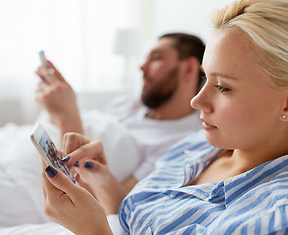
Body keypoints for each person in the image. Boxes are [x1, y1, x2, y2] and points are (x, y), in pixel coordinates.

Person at [42, 0, 288, 234]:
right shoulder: (200, 145)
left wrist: (94, 231)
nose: (196, 101)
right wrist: (104, 181)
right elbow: (134, 219)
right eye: (206, 79)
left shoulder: (284, 220)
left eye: (224, 88)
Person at [36, 33, 205, 192]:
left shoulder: (183, 144)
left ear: (189, 68)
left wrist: (67, 116)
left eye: (155, 58)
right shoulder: (127, 104)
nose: (142, 67)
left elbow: (108, 208)